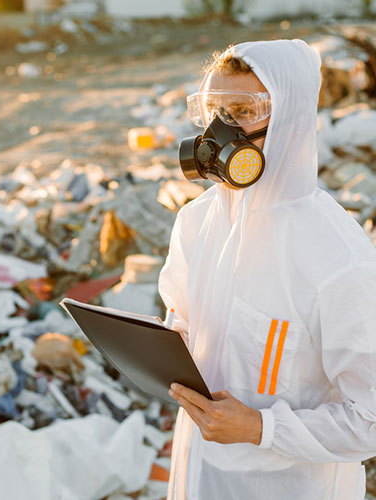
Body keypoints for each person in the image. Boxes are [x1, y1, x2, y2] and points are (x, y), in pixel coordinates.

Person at [157, 39, 376, 500]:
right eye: (214, 109)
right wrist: (169, 341)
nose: (222, 129)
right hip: (198, 475)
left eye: (243, 110)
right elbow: (181, 315)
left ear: (292, 124)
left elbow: (370, 420)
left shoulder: (337, 260)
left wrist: (260, 426)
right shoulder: (196, 222)